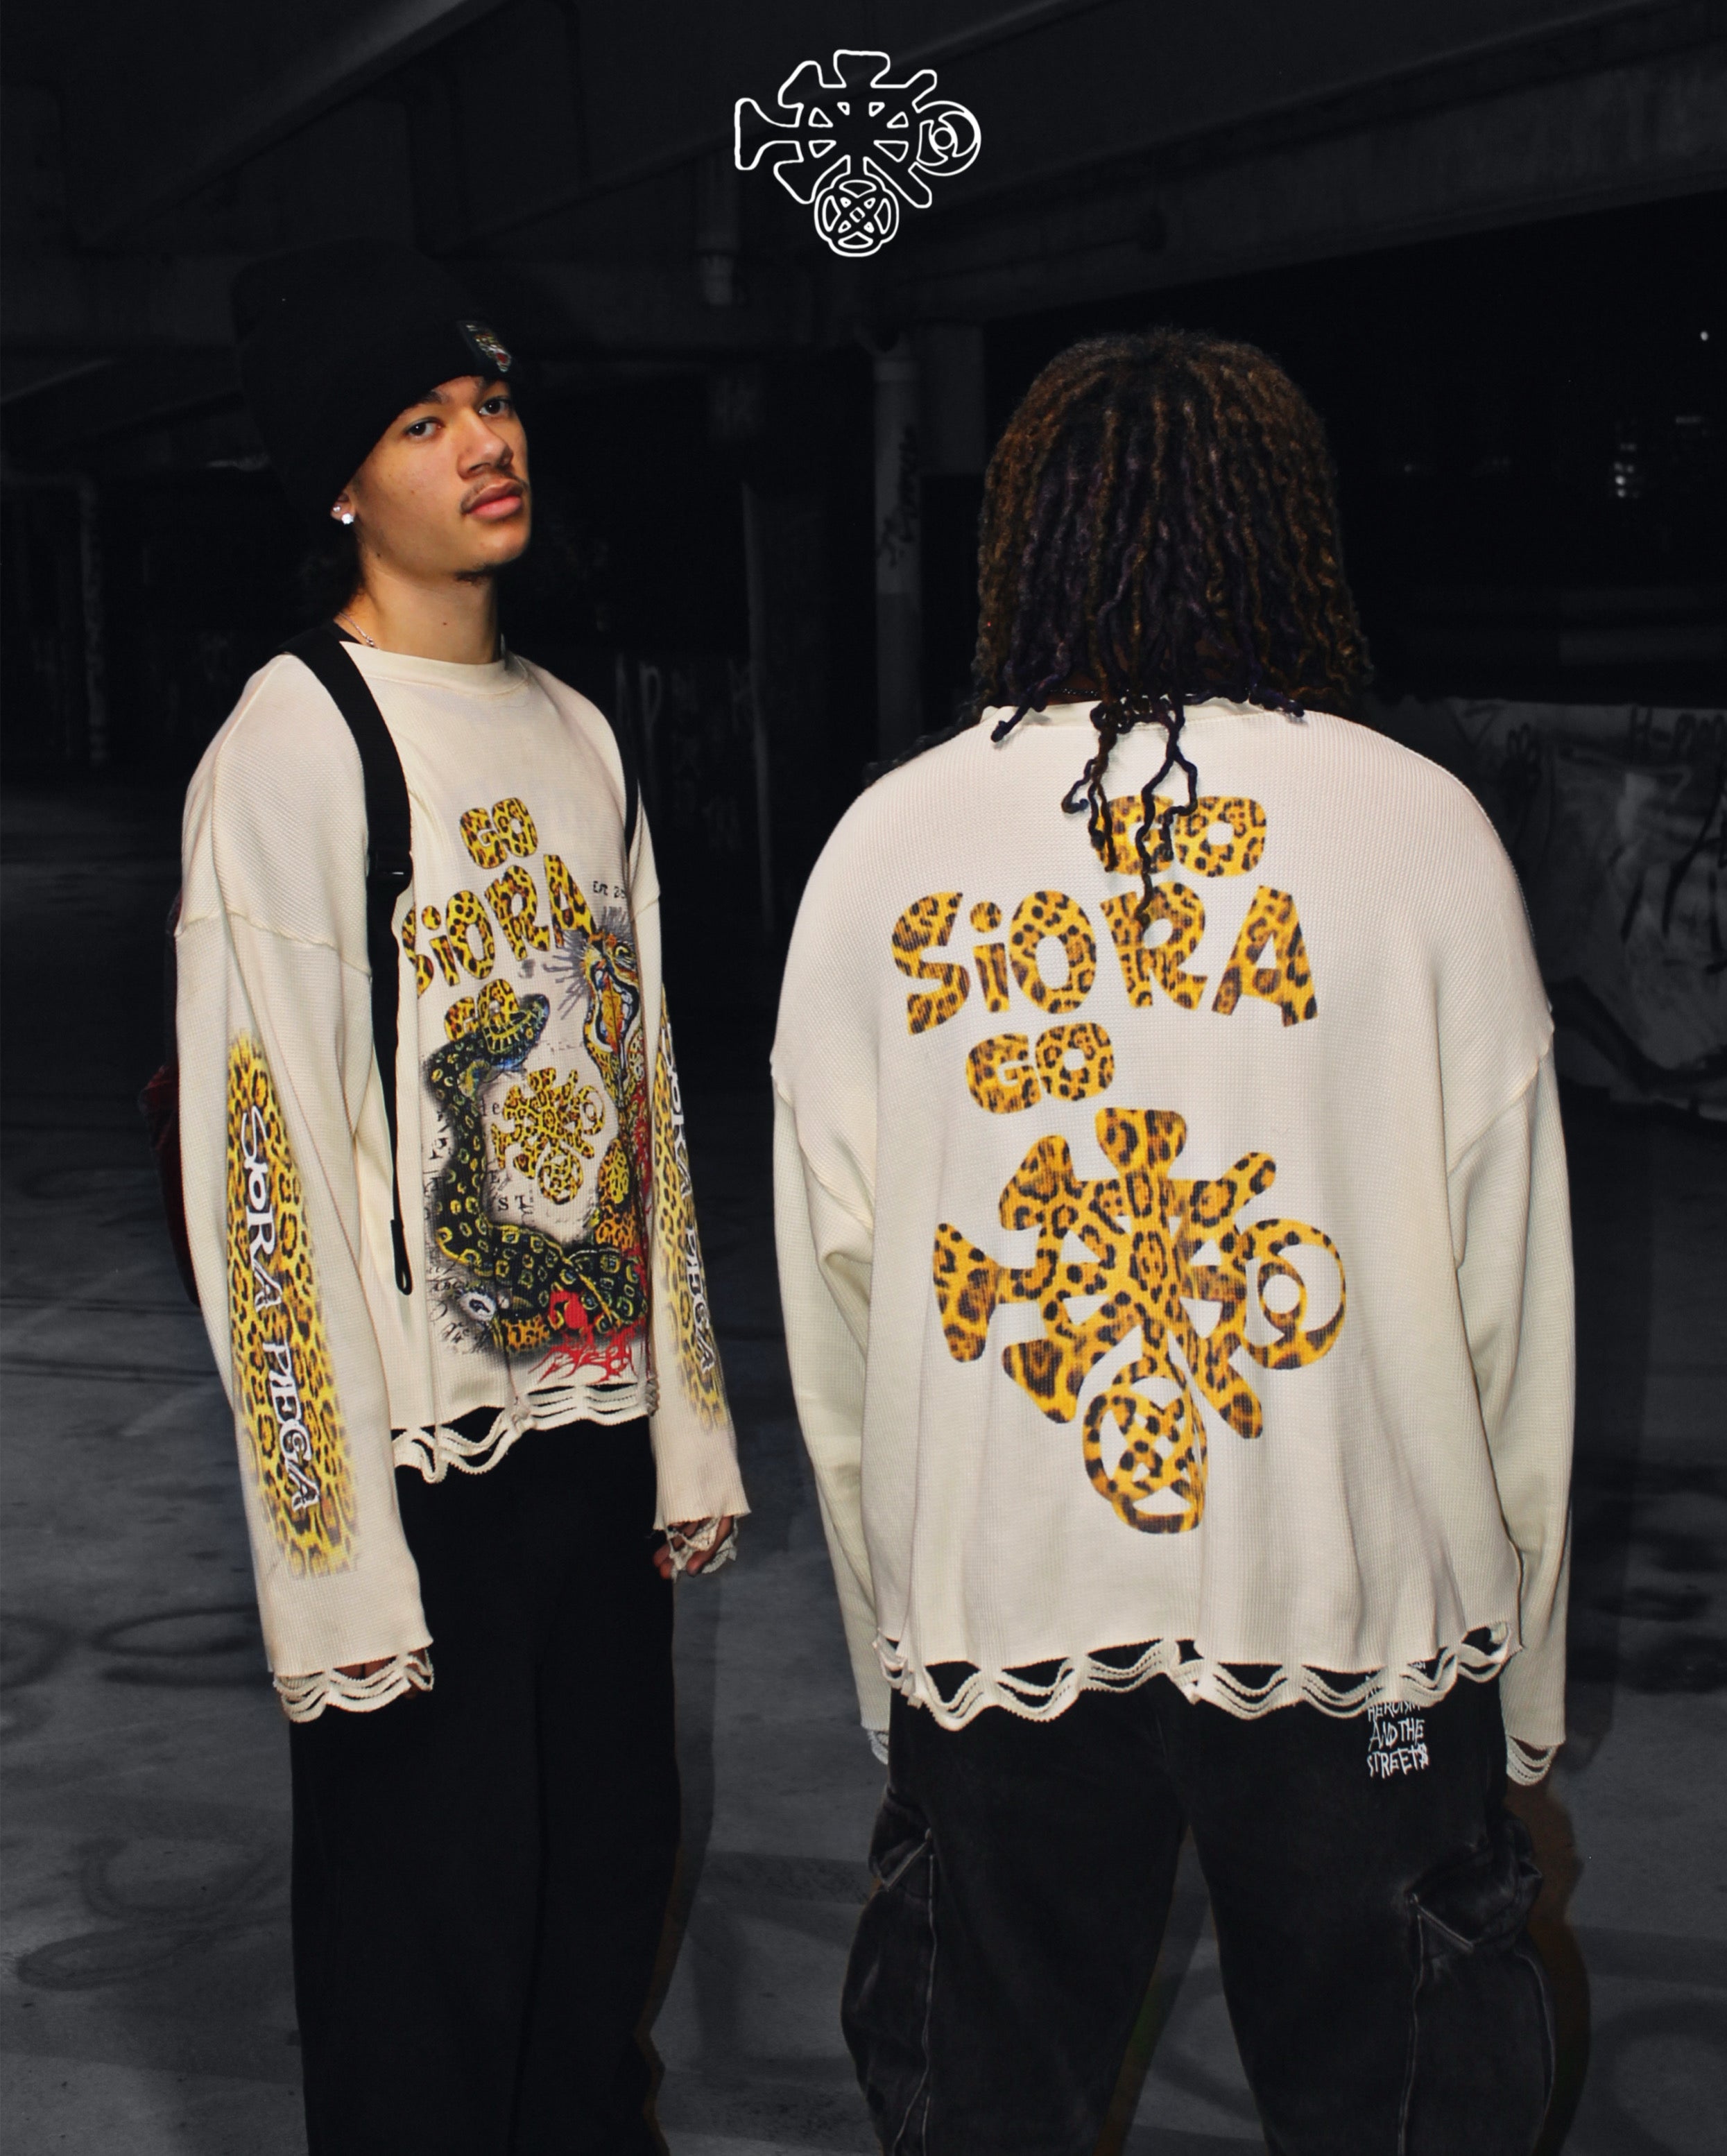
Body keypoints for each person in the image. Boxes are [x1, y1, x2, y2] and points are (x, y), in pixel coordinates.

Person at [772, 330, 1571, 2154]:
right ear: (1291, 528)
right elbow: (1510, 1297)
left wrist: (895, 1642)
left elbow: (838, 1310)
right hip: (1356, 1610)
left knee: (989, 2109)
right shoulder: (1418, 836)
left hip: (998, 1605)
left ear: (1021, 541)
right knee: (1395, 2112)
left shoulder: (882, 851)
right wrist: (1514, 1670)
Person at [176, 242, 746, 2155]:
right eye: (420, 423)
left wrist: (684, 1432)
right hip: (424, 1464)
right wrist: (330, 1562)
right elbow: (263, 1175)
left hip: (591, 1430)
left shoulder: (580, 731)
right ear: (342, 487)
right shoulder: (296, 738)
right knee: (425, 1954)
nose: (483, 443)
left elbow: (646, 1105)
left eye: (490, 402)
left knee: (597, 1903)